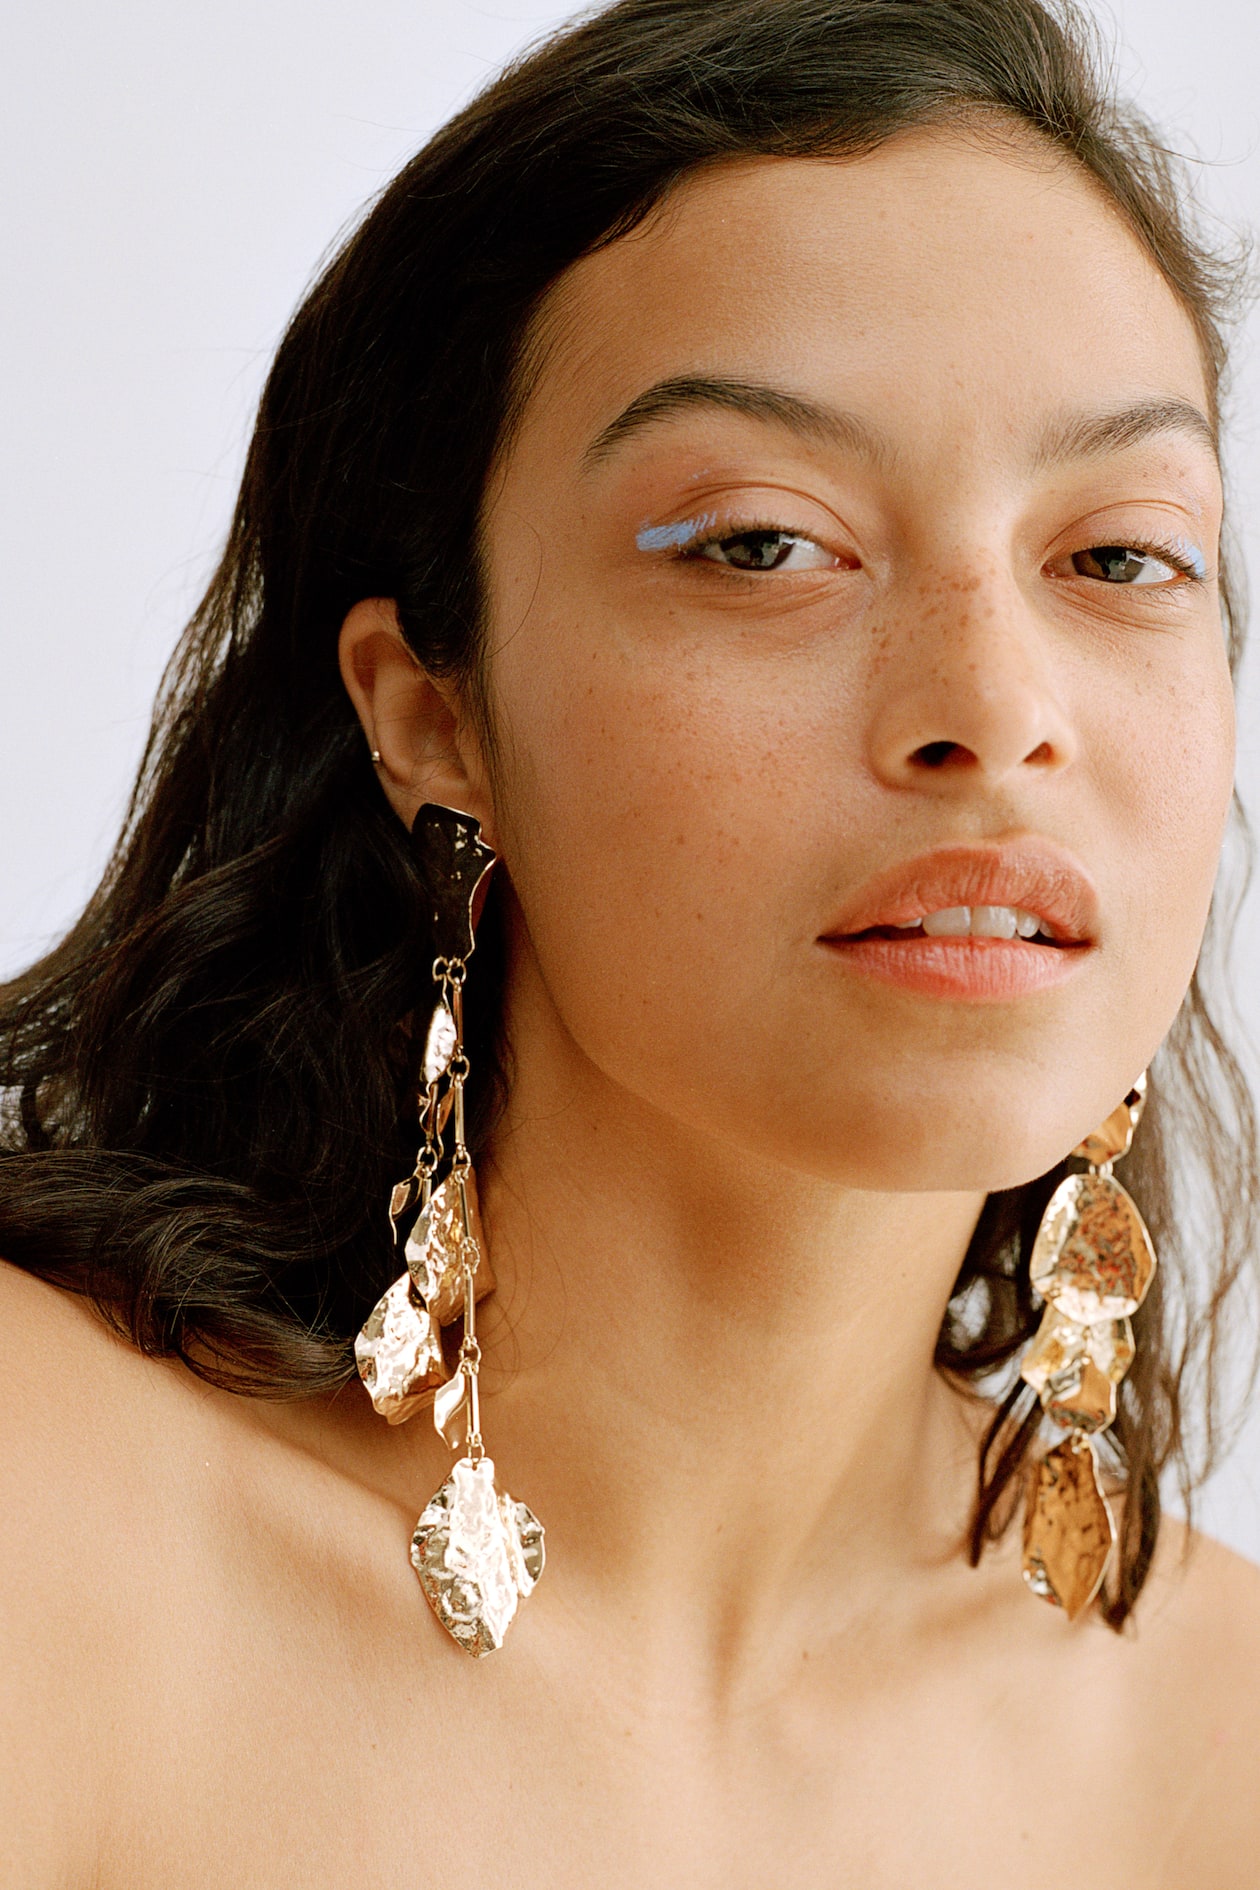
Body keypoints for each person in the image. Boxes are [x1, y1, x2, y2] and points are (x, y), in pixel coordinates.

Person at [2, 0, 1259, 1878]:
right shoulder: (47, 1525)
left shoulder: (1220, 1751)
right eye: (761, 543)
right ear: (433, 710)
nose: (997, 711)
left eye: (1119, 557)